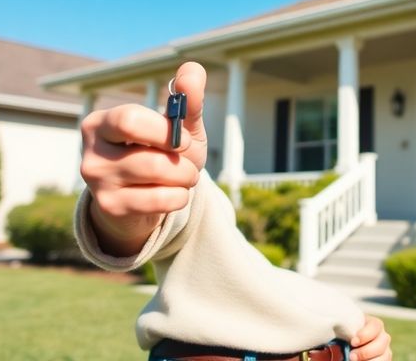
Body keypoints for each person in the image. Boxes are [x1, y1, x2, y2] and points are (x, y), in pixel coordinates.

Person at [75, 62, 392, 361]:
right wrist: (126, 211)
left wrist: (361, 339)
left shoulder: (285, 281)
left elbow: (273, 284)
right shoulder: (194, 190)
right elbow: (176, 220)